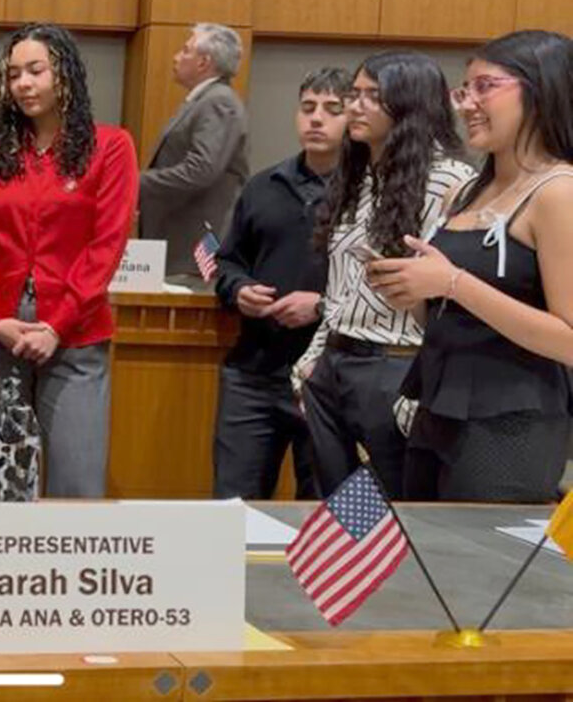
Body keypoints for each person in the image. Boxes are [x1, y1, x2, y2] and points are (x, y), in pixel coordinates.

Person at [368, 30, 573, 503]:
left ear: (540, 90)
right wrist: (414, 292)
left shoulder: (557, 192)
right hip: (436, 405)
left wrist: (454, 282)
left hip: (511, 421)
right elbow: (450, 317)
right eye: (465, 89)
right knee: (425, 557)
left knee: (474, 568)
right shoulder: (465, 192)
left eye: (486, 87)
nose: (466, 104)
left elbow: (566, 337)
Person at [0, 23, 139, 498]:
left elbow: (106, 246)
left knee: (76, 483)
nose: (23, 83)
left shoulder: (111, 147)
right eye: (13, 73)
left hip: (74, 332)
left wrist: (56, 324)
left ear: (65, 75)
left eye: (35, 70)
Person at [293, 51, 476, 500]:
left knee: (398, 512)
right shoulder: (358, 176)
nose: (355, 106)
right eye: (354, 94)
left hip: (395, 366)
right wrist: (311, 363)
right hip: (334, 363)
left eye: (373, 97)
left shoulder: (450, 180)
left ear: (410, 103)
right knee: (336, 514)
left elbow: (455, 294)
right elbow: (341, 285)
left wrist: (417, 385)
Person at [212, 68, 351, 501]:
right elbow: (226, 262)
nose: (316, 119)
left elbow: (390, 292)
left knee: (329, 515)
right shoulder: (263, 186)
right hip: (253, 373)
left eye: (332, 110)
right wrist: (238, 289)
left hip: (331, 377)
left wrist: (323, 305)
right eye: (308, 108)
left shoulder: (372, 192)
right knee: (232, 504)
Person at [138, 22, 251, 279]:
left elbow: (201, 169)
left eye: (185, 50)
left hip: (193, 250)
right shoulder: (204, 100)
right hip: (177, 245)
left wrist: (136, 182)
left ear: (203, 62)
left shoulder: (218, 102)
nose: (177, 57)